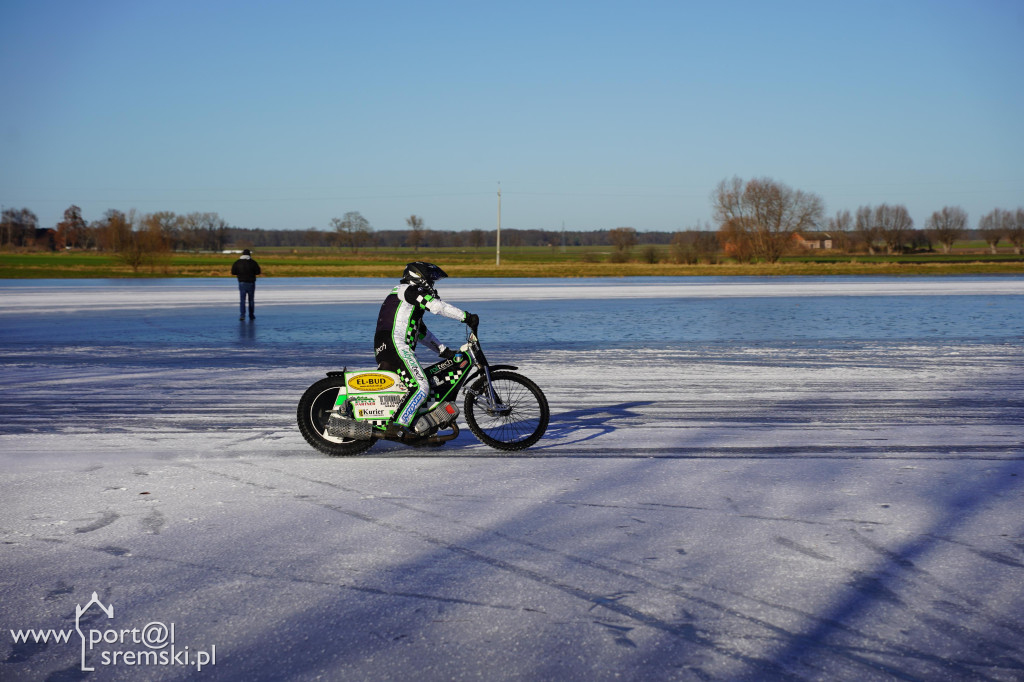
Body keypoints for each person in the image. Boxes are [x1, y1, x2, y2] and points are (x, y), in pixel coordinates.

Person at [374, 262, 479, 435]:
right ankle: (397, 426)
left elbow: (421, 333)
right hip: (395, 344)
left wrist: (444, 351)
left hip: (390, 346)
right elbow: (437, 307)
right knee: (421, 386)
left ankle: (421, 429)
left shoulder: (407, 303)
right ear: (419, 278)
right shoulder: (407, 290)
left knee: (420, 386)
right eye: (431, 281)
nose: (432, 286)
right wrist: (466, 317)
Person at [230, 249, 261, 320]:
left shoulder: (237, 262)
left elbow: (233, 272)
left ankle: (242, 315)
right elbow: (258, 272)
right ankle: (251, 315)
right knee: (251, 300)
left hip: (242, 282)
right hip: (251, 283)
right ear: (249, 254)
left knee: (242, 300)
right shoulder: (253, 262)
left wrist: (240, 273)